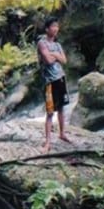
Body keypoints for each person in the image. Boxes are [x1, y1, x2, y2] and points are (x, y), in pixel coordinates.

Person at [37, 17, 71, 152]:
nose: (56, 29)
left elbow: (64, 60)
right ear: (47, 29)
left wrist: (55, 54)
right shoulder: (42, 43)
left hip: (61, 79)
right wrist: (56, 56)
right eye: (53, 26)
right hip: (49, 81)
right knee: (50, 112)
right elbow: (48, 61)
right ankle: (47, 142)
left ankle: (62, 134)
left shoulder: (57, 45)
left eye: (57, 26)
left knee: (62, 108)